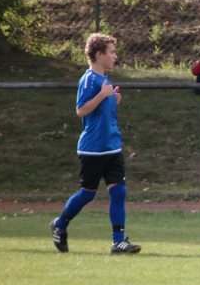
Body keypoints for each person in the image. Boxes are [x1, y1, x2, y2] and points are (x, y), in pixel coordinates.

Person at [50, 33, 141, 254]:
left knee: (118, 192)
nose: (115, 56)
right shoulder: (89, 79)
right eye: (112, 52)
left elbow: (102, 112)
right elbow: (81, 110)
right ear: (99, 55)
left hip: (112, 146)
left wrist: (112, 99)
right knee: (87, 194)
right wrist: (102, 96)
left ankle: (118, 241)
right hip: (93, 149)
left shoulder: (105, 80)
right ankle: (60, 224)